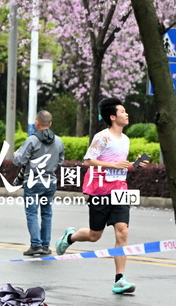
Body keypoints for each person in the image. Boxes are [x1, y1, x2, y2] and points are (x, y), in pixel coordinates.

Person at [55, 97, 137, 295]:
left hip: (120, 191)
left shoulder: (125, 139)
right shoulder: (102, 137)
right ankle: (70, 236)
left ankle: (119, 280)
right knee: (95, 235)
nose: (126, 114)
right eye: (122, 111)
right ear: (112, 117)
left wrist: (132, 165)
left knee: (122, 232)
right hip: (100, 191)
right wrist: (113, 165)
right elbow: (88, 161)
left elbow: (120, 164)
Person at [13, 110, 65, 256]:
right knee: (47, 213)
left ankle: (36, 246)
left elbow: (19, 161)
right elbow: (60, 162)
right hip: (50, 183)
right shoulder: (59, 141)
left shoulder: (32, 140)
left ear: (37, 123)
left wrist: (16, 154)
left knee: (32, 213)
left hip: (33, 183)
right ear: (50, 124)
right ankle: (45, 245)